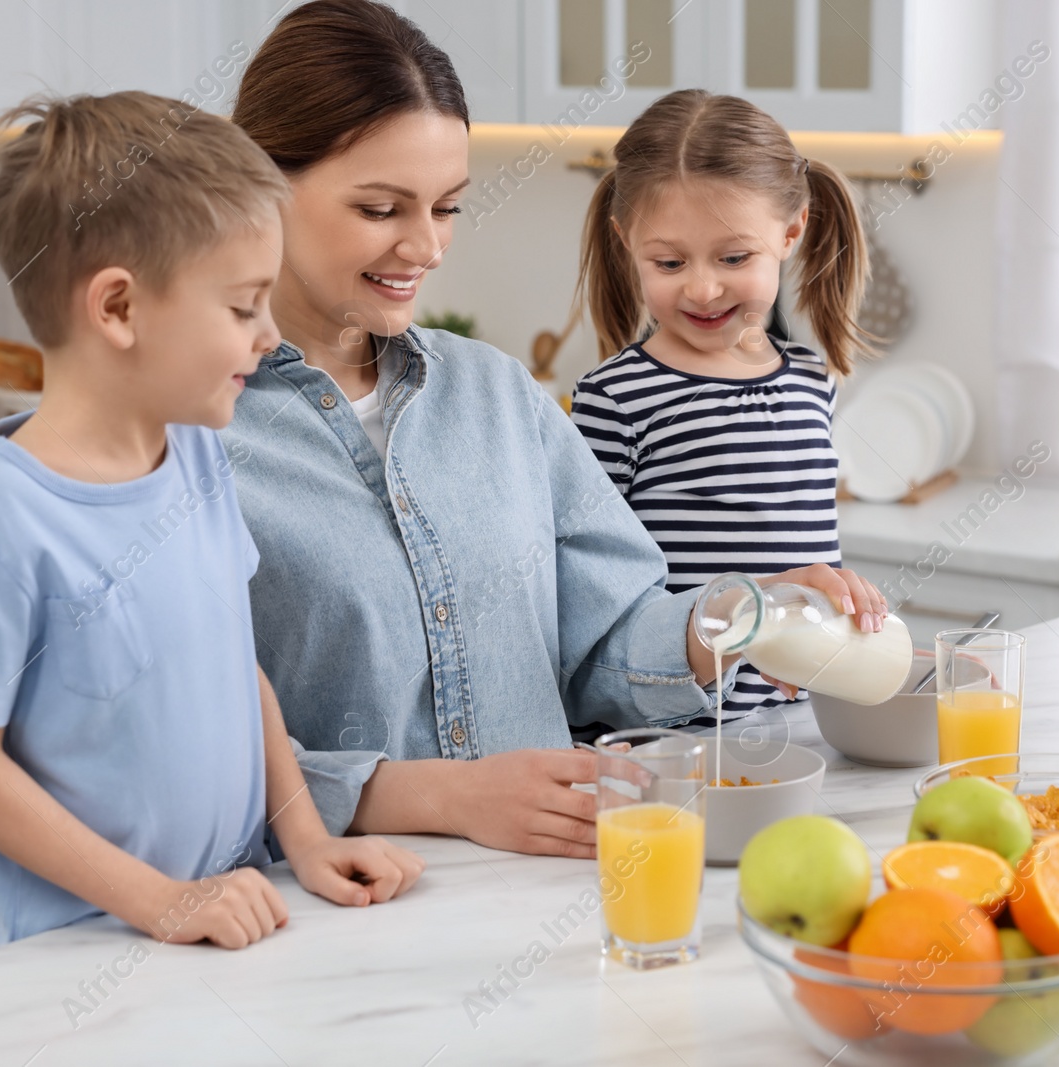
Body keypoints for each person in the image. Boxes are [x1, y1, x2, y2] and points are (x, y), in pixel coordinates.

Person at [223, 0, 890, 859]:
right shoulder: (187, 436)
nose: (426, 247)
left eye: (449, 207)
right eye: (382, 208)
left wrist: (737, 615)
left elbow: (605, 645)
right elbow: (166, 755)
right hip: (318, 934)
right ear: (261, 187)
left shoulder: (498, 395)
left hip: (548, 907)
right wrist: (438, 795)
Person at [0, 91, 423, 960]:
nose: (268, 336)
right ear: (117, 309)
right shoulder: (0, 515)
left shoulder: (195, 458)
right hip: (54, 963)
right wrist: (161, 902)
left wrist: (304, 836)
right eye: (242, 306)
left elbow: (237, 665)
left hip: (207, 931)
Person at [570, 89, 873, 727]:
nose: (703, 287)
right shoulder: (612, 400)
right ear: (628, 243)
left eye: (734, 257)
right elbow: (589, 614)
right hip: (669, 739)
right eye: (670, 262)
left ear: (792, 232)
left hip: (799, 729)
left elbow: (810, 570)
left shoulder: (814, 383)